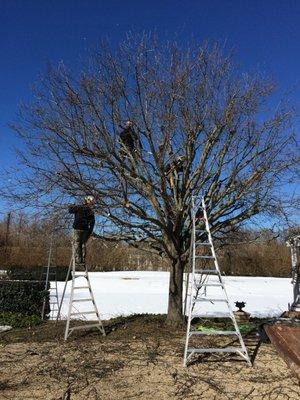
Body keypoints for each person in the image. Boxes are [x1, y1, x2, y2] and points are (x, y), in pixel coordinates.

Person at [69, 195, 95, 267]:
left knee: (77, 244)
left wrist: (71, 206)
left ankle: (78, 260)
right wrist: (90, 231)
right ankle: (82, 260)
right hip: (85, 229)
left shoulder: (79, 207)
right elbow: (92, 223)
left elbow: (70, 210)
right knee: (83, 244)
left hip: (77, 228)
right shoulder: (90, 211)